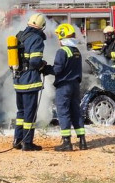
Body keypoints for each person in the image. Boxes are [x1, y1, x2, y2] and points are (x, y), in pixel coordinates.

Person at [12, 13, 49, 151]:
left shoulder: (19, 36)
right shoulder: (36, 39)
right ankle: (27, 143)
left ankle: (17, 140)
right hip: (30, 82)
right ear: (42, 26)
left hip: (18, 81)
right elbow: (34, 61)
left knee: (20, 112)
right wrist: (43, 66)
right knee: (29, 114)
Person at [48, 23, 87, 151]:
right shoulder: (76, 51)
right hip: (75, 85)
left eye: (59, 37)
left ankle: (66, 143)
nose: (58, 40)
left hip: (64, 86)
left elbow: (57, 70)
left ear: (63, 37)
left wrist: (46, 68)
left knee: (63, 112)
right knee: (76, 112)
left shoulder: (62, 51)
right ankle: (82, 141)